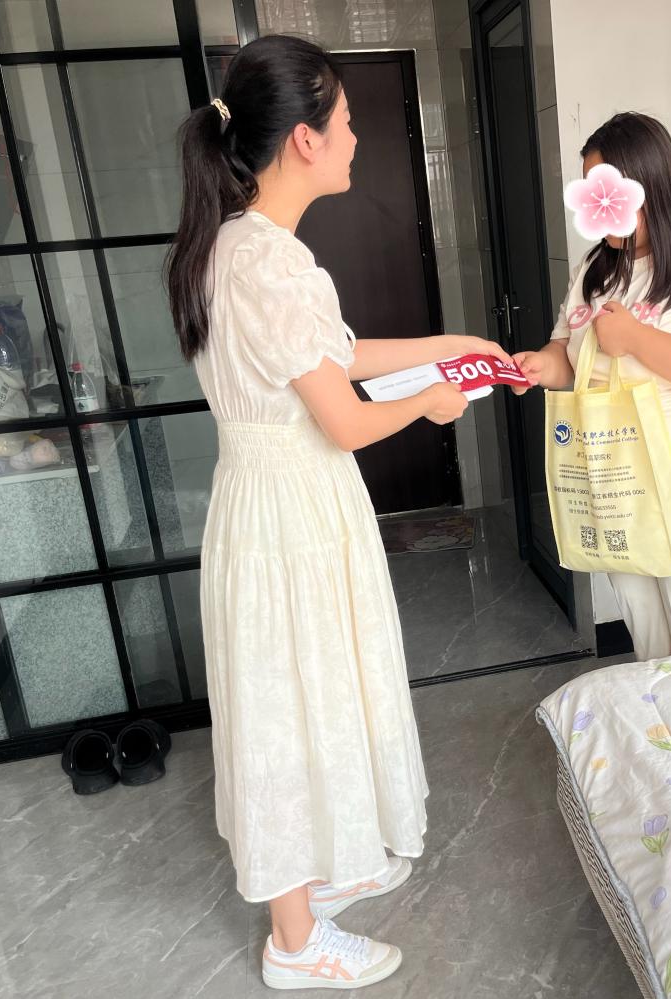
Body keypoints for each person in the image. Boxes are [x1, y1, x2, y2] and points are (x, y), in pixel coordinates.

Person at [165, 34, 514, 990]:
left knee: (299, 691)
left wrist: (452, 343)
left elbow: (333, 357)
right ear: (306, 139)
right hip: (293, 515)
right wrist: (433, 400)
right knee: (289, 703)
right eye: (349, 120)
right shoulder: (274, 265)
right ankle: (295, 941)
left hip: (269, 506)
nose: (358, 136)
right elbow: (348, 419)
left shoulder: (234, 246)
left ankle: (318, 872)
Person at [515, 112, 671, 662]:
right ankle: (664, 717)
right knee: (645, 627)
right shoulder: (596, 268)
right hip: (617, 477)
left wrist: (634, 338)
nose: (599, 206)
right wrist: (537, 366)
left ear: (649, 185)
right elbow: (568, 354)